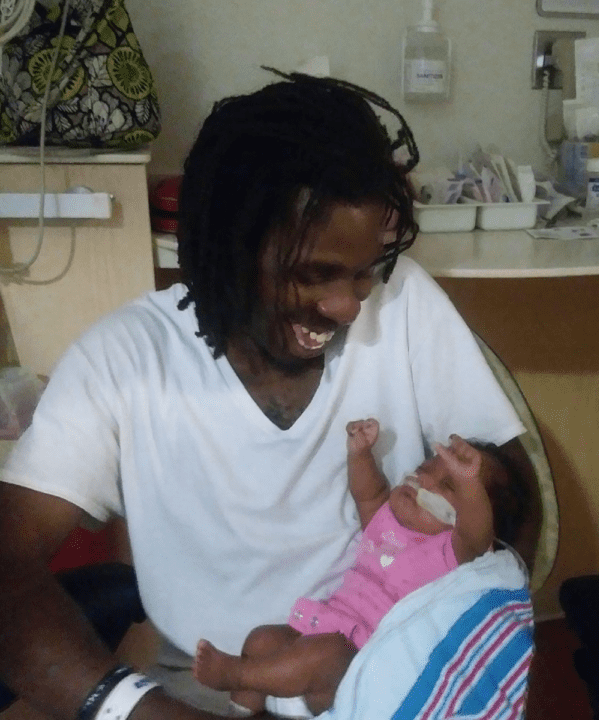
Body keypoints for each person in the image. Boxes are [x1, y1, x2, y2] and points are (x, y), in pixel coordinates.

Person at [0, 72, 528, 720]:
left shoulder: (405, 303)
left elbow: (508, 506)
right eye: (314, 275)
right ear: (231, 245)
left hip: (388, 677)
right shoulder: (126, 359)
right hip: (201, 690)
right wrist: (136, 709)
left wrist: (426, 667)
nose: (344, 305)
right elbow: (7, 560)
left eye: (363, 272)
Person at [192, 421, 526, 717]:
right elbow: (369, 493)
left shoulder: (449, 553)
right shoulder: (386, 520)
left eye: (448, 486)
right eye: (425, 466)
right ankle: (242, 708)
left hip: (350, 665)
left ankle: (235, 675)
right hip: (313, 642)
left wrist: (469, 483)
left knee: (324, 654)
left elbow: (473, 532)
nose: (423, 479)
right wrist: (361, 455)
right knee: (261, 639)